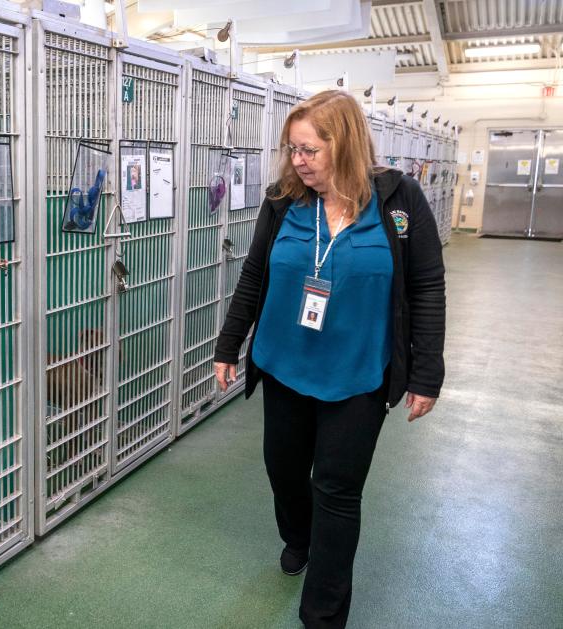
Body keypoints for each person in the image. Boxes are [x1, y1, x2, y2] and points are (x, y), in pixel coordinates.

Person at [212, 90, 445, 628]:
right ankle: (298, 536)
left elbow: (427, 287)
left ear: (344, 144)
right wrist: (229, 345)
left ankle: (323, 613)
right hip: (285, 365)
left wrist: (427, 373)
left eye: (309, 150)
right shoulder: (283, 202)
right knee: (285, 472)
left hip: (358, 374)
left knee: (338, 491)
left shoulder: (399, 201)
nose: (298, 160)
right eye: (292, 149)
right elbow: (254, 276)